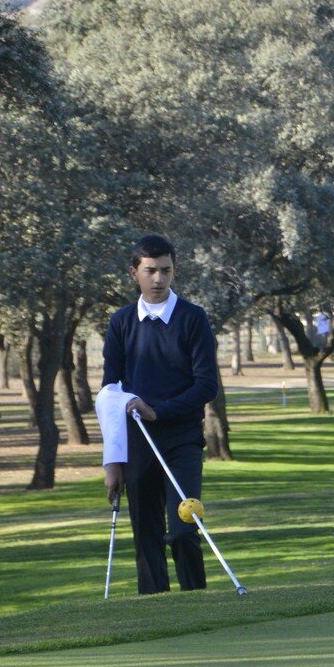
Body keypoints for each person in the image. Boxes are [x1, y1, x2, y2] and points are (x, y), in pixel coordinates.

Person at [100, 234, 220, 594]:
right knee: (146, 535)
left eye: (166, 270)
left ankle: (196, 600)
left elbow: (206, 386)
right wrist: (112, 462)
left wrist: (158, 412)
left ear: (174, 271)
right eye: (150, 271)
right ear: (134, 272)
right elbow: (110, 394)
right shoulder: (121, 323)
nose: (158, 279)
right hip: (138, 441)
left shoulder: (192, 318)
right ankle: (155, 609)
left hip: (182, 438)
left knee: (184, 526)